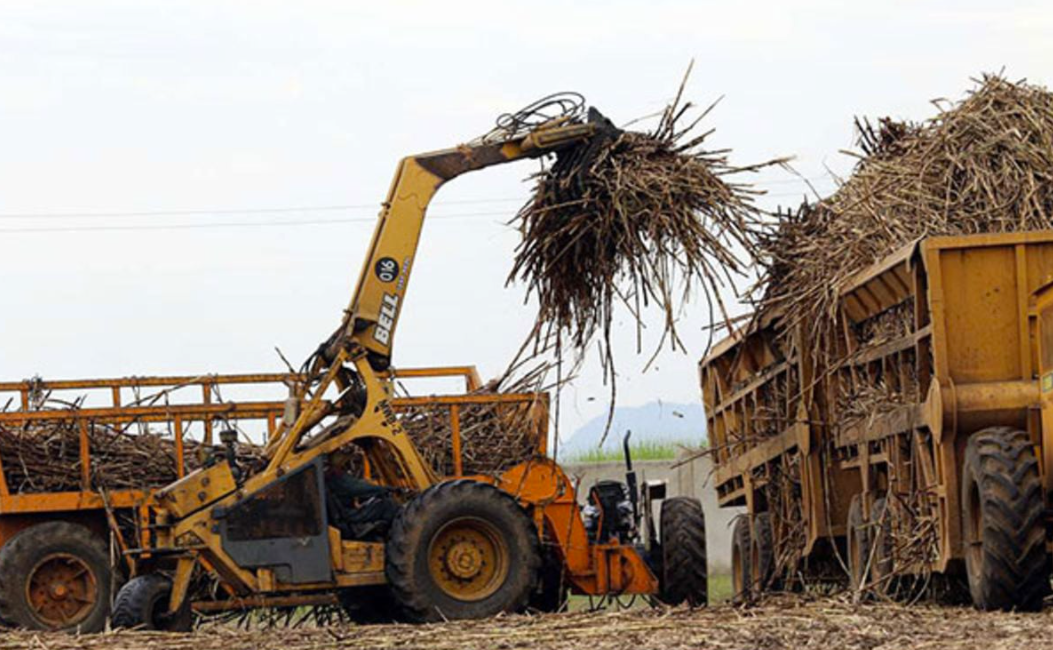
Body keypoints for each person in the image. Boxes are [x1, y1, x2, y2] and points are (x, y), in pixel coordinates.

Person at [324, 448, 401, 541]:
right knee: (387, 506)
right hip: (349, 515)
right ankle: (397, 539)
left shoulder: (326, 475)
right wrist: (385, 489)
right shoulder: (334, 476)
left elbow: (356, 487)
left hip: (343, 513)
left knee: (377, 502)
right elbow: (356, 488)